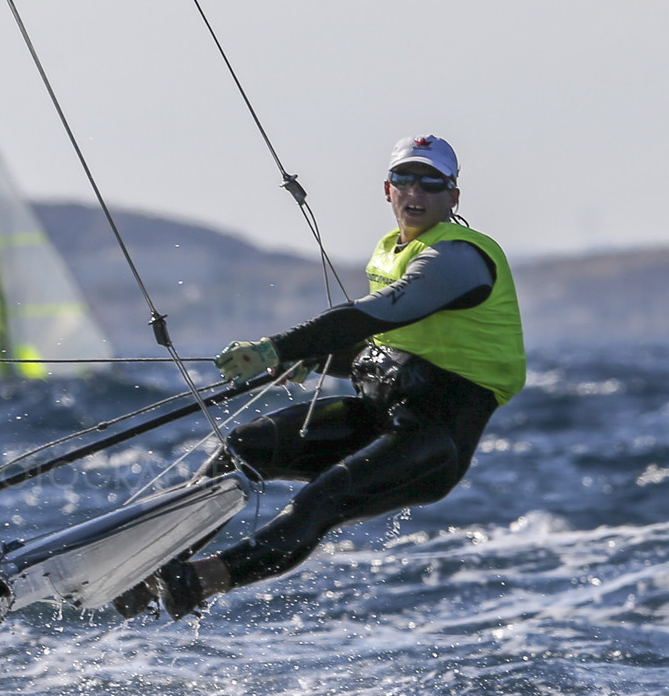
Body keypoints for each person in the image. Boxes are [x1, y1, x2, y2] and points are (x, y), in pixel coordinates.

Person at [116, 134, 525, 619]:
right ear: (387, 189)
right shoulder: (392, 250)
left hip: (433, 439)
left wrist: (278, 347)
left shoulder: (458, 258)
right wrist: (315, 359)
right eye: (404, 179)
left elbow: (374, 316)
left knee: (322, 500)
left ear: (452, 196)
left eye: (432, 183)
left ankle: (201, 581)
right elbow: (390, 348)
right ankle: (153, 561)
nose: (416, 192)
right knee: (244, 449)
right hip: (377, 414)